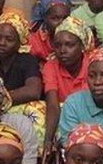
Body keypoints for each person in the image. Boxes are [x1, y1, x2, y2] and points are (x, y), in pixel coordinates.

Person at [41, 16, 96, 152]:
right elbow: (52, 104)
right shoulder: (51, 65)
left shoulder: (93, 63)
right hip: (61, 115)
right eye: (58, 45)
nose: (62, 50)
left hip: (90, 114)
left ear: (82, 46)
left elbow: (87, 104)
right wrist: (47, 141)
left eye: (69, 45)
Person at [0, 12, 43, 109]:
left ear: (19, 42)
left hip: (20, 108)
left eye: (9, 39)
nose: (2, 43)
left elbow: (33, 91)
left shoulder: (28, 60)